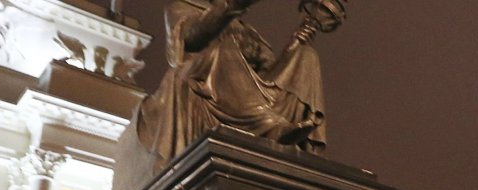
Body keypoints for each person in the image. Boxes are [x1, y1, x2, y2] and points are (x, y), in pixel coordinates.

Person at [136, 0, 346, 167]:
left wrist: (293, 47)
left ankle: (288, 134)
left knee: (307, 55)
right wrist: (233, 5)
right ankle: (271, 127)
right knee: (224, 49)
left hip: (248, 94)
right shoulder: (181, 6)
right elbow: (192, 38)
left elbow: (269, 72)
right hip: (207, 86)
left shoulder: (246, 29)